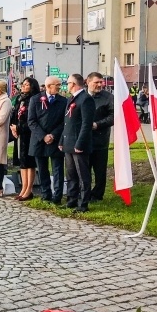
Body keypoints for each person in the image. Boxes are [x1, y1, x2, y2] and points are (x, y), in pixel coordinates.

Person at [59, 74, 96, 214]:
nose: (66, 85)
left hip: (79, 143)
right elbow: (67, 122)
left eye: (68, 83)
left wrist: (80, 143)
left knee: (82, 175)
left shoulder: (86, 99)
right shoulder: (71, 99)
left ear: (74, 84)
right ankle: (71, 199)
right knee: (71, 174)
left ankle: (83, 202)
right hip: (69, 142)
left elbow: (86, 124)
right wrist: (62, 140)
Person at [28, 77, 67, 205]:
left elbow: (64, 121)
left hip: (55, 139)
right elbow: (31, 121)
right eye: (57, 85)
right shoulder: (35, 99)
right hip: (39, 140)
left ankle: (57, 195)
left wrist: (53, 135)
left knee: (57, 169)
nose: (60, 87)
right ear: (49, 86)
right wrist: (43, 136)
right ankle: (46, 193)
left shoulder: (63, 101)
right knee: (42, 168)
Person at [10, 78, 41, 201]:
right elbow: (14, 115)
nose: (23, 86)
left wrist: (19, 127)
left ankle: (29, 189)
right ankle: (23, 187)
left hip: (28, 134)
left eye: (27, 85)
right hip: (19, 133)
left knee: (29, 163)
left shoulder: (34, 99)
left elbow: (32, 119)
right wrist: (13, 127)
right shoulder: (19, 99)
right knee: (22, 163)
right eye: (23, 84)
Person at [87, 72, 114, 202]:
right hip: (84, 140)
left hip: (100, 140)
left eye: (101, 82)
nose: (99, 85)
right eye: (96, 82)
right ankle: (85, 192)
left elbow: (113, 116)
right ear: (88, 82)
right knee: (84, 169)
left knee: (99, 170)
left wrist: (98, 125)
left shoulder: (108, 97)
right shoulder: (82, 96)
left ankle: (97, 194)